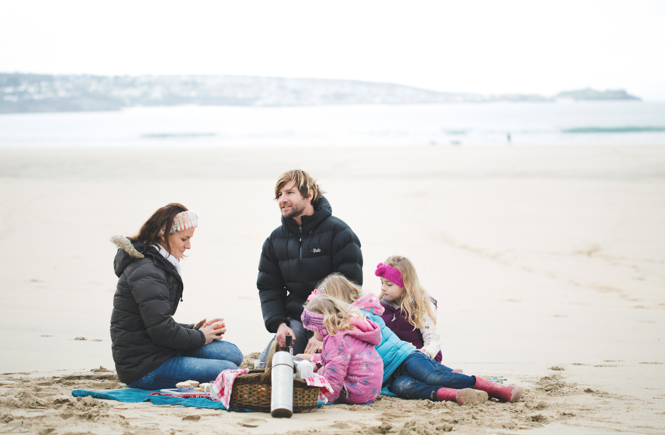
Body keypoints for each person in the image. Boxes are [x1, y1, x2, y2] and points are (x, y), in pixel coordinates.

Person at [316, 272, 522, 404]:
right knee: (408, 389)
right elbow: (338, 360)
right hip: (389, 377)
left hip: (405, 356)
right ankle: (455, 395)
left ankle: (494, 388)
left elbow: (353, 345)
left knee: (433, 376)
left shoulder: (361, 317)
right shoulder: (337, 333)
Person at [110, 203, 243, 390]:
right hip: (143, 367)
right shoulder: (147, 271)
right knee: (227, 369)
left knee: (233, 353)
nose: (188, 246)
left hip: (160, 349)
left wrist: (195, 329)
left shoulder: (158, 263)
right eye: (184, 238)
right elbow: (161, 330)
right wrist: (200, 337)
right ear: (163, 235)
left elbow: (154, 322)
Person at [257, 169, 363, 361]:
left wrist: (322, 333)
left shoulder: (339, 233)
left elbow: (349, 289)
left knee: (322, 370)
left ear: (309, 195)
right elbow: (269, 287)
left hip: (334, 323)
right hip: (297, 320)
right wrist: (280, 324)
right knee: (269, 365)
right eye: (279, 195)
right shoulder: (275, 240)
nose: (282, 200)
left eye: (289, 193)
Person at [296, 294, 383, 404]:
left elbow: (335, 374)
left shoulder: (336, 340)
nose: (313, 334)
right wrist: (317, 363)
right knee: (321, 369)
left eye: (314, 330)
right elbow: (338, 360)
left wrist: (323, 398)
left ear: (322, 326)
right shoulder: (350, 329)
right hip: (369, 391)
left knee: (318, 375)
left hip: (355, 393)